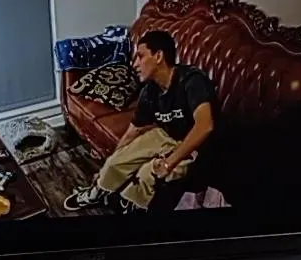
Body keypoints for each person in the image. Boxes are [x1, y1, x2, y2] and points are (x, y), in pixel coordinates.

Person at [64, 30, 218, 212]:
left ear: (158, 56)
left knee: (147, 174)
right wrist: (110, 161)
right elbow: (133, 131)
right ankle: (99, 191)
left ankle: (132, 205)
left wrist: (169, 163)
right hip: (165, 135)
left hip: (196, 145)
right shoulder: (150, 91)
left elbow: (205, 126)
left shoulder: (192, 80)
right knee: (114, 163)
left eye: (140, 56)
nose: (134, 64)